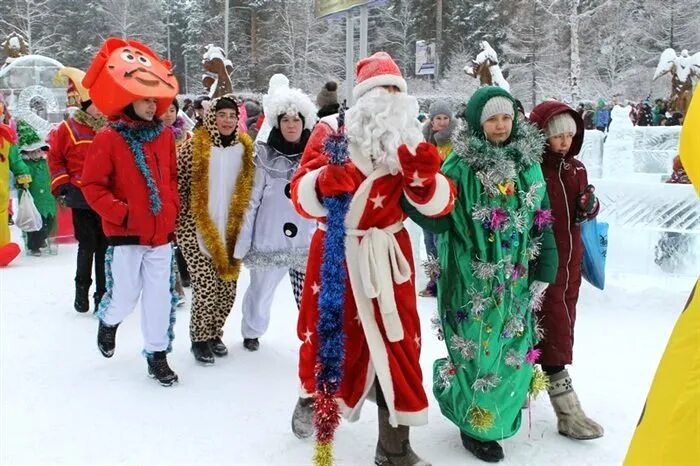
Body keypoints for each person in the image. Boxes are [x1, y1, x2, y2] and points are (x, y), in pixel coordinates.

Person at [290, 52, 455, 465]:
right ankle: (312, 398)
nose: (389, 99)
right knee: (326, 339)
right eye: (380, 91)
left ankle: (394, 449)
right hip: (338, 255)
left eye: (396, 91)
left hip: (389, 258)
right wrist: (321, 182)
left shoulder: (410, 141)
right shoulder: (330, 133)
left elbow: (441, 206)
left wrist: (425, 181)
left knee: (397, 347)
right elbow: (300, 195)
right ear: (362, 98)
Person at [406, 86, 558, 463]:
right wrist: (409, 195)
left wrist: (546, 266)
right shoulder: (459, 166)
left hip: (516, 278)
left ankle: (497, 411)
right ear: (478, 122)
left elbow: (543, 217)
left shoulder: (529, 163)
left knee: (512, 348)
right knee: (477, 352)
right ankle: (475, 424)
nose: (501, 125)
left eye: (506, 117)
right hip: (469, 281)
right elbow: (438, 218)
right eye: (492, 118)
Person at [81, 38, 180, 386]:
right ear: (128, 98)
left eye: (155, 99)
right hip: (126, 234)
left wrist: (171, 208)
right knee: (124, 296)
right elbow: (92, 186)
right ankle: (109, 322)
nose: (152, 106)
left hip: (162, 235)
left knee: (159, 298)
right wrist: (121, 214)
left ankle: (157, 354)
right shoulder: (108, 138)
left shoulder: (165, 136)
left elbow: (170, 177)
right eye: (145, 99)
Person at [529, 101, 604, 441]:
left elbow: (585, 210)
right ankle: (566, 410)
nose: (563, 143)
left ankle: (524, 388)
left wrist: (590, 204)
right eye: (556, 136)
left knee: (561, 322)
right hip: (544, 261)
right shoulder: (533, 170)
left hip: (572, 260)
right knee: (551, 325)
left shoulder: (577, 169)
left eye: (569, 137)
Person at [233, 78, 317, 351]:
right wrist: (243, 240)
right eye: (286, 120)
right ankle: (252, 331)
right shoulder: (263, 155)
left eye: (296, 120)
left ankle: (313, 337)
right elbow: (251, 201)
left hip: (305, 240)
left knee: (310, 296)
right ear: (277, 123)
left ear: (305, 122)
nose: (291, 125)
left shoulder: (316, 156)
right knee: (260, 292)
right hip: (268, 239)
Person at [176, 94, 255, 365]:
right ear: (211, 116)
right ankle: (199, 339)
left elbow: (251, 189)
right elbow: (179, 188)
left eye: (232, 116)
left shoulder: (244, 150)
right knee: (206, 287)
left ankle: (214, 333)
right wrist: (182, 223)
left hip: (231, 230)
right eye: (222, 115)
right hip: (195, 227)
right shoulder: (193, 147)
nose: (227, 120)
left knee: (227, 290)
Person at [48, 67, 108, 312]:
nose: (100, 109)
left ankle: (103, 295)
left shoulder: (110, 129)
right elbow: (55, 158)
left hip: (106, 197)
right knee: (87, 245)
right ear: (85, 105)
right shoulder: (68, 128)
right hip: (81, 195)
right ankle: (81, 290)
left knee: (105, 248)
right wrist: (62, 185)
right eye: (95, 104)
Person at [418, 99, 456, 298]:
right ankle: (434, 279)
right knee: (429, 240)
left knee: (444, 240)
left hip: (447, 198)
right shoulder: (425, 140)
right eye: (438, 118)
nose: (442, 122)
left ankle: (448, 280)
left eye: (445, 118)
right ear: (431, 121)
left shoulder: (455, 142)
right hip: (428, 197)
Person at [161, 98, 192, 301]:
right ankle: (173, 286)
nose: (169, 114)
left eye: (172, 110)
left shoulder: (188, 136)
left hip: (185, 194)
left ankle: (185, 273)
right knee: (166, 242)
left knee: (184, 238)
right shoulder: (153, 137)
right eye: (164, 110)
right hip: (163, 193)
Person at [15, 120, 56, 256]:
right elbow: (21, 179)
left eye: (39, 150)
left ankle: (42, 239)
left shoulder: (45, 163)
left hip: (48, 198)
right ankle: (34, 245)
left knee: (48, 221)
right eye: (34, 151)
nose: (38, 153)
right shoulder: (25, 165)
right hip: (33, 199)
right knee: (34, 223)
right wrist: (23, 185)